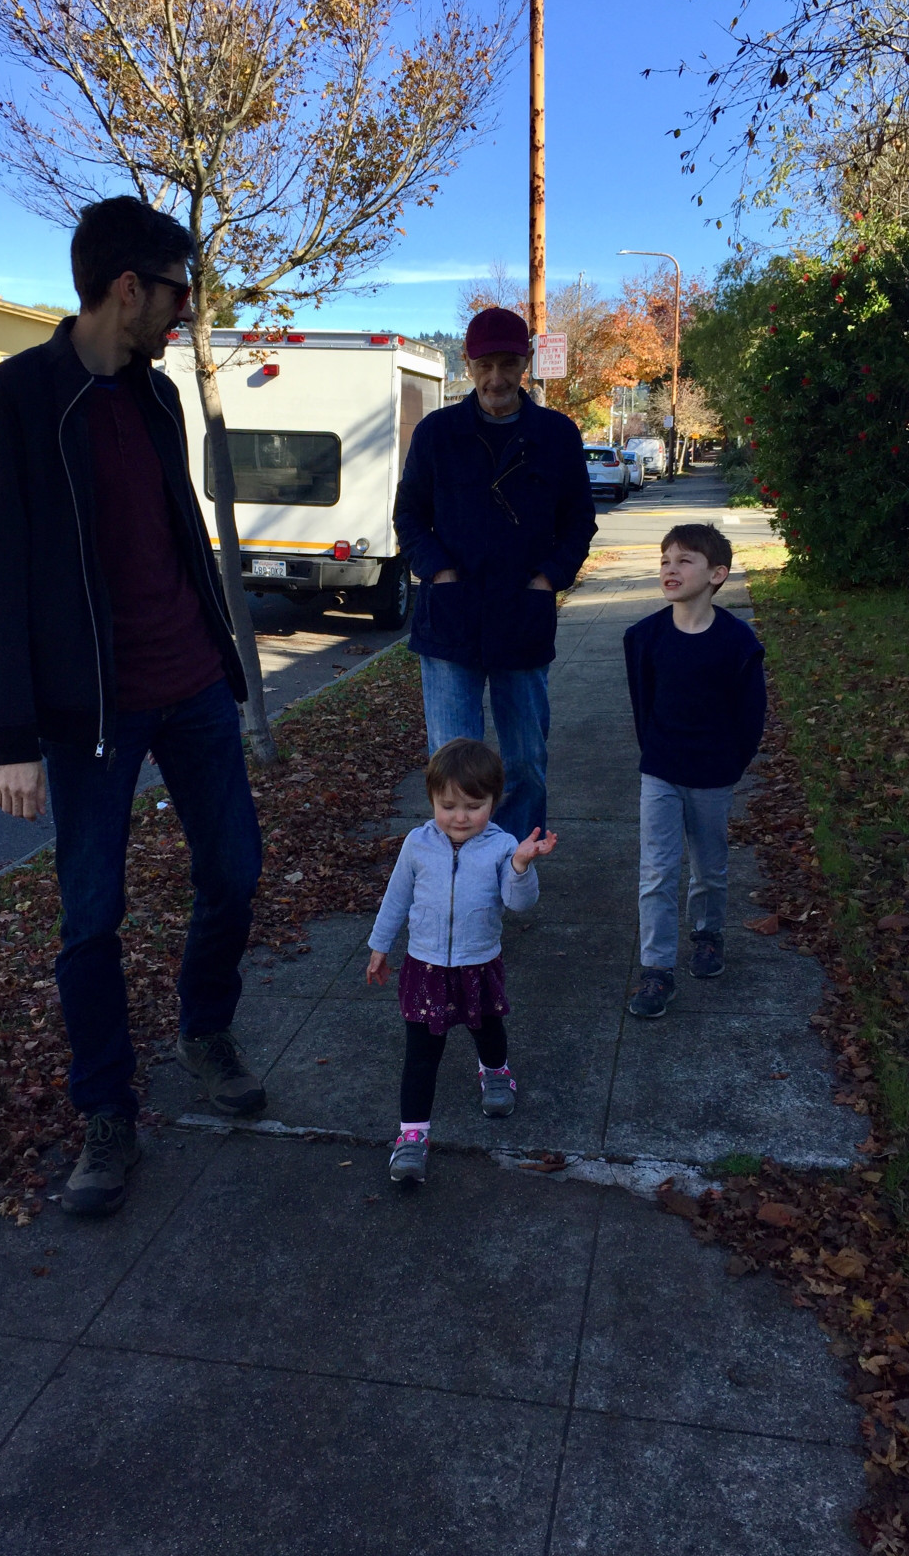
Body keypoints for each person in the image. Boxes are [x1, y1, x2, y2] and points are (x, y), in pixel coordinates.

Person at [0, 195, 265, 1219]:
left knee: (234, 871)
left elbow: (177, 528)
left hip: (192, 684)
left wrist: (224, 656)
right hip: (90, 711)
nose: (186, 312)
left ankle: (205, 1028)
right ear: (128, 287)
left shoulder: (159, 395)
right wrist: (12, 736)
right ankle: (107, 1112)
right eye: (178, 293)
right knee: (91, 915)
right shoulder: (18, 395)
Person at [393, 306, 596, 841]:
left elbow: (579, 521)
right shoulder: (437, 433)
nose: (496, 378)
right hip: (450, 621)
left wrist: (548, 579)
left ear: (525, 362)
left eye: (508, 363)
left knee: (526, 762)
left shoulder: (556, 434)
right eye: (485, 365)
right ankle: (460, 871)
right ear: (468, 364)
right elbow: (408, 516)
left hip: (522, 618)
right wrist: (439, 573)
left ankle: (516, 868)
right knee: (452, 766)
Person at [366, 738, 557, 1183]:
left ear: (494, 801)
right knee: (420, 1055)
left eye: (474, 806)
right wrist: (380, 946)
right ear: (432, 799)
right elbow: (396, 898)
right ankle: (412, 1135)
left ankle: (495, 1071)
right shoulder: (417, 844)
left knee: (487, 1027)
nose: (460, 817)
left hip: (478, 964)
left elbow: (520, 903)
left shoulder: (502, 846)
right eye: (448, 805)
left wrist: (521, 867)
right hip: (425, 967)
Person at [623, 524, 767, 1019]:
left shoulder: (736, 642)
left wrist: (730, 763)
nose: (670, 569)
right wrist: (656, 753)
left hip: (713, 774)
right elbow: (643, 704)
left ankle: (708, 936)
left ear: (716, 575)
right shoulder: (645, 637)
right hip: (660, 770)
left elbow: (750, 715)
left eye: (685, 561)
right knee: (657, 869)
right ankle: (657, 969)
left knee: (709, 866)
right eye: (665, 560)